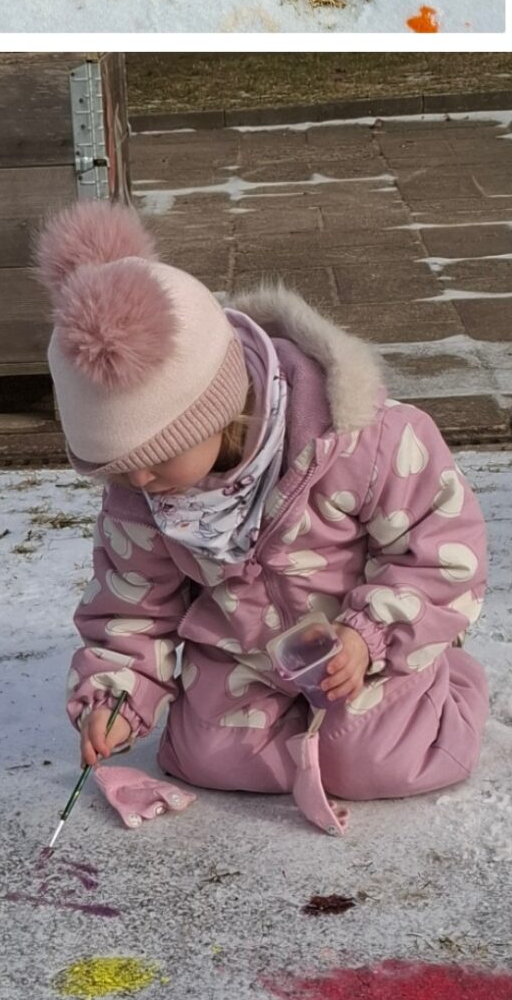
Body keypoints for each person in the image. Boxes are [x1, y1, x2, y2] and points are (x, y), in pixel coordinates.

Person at [41, 201, 488, 836]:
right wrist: (118, 694)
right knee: (204, 758)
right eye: (118, 469)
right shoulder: (138, 495)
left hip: (353, 646)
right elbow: (132, 607)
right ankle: (300, 742)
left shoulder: (359, 441)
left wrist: (369, 636)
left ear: (218, 413)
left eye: (157, 461)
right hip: (240, 654)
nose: (140, 483)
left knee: (384, 760)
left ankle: (442, 692)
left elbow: (442, 552)